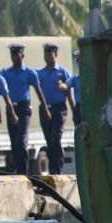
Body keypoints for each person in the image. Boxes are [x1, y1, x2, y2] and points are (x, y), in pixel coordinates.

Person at [0, 44, 51, 175]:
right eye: (13, 55)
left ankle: (23, 171)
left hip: (24, 109)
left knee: (21, 141)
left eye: (17, 55)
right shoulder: (5, 73)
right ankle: (18, 169)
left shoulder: (30, 73)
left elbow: (38, 91)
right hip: (11, 109)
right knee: (14, 142)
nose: (15, 57)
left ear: (22, 55)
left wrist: (45, 108)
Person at [37, 43, 75, 175]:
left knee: (55, 138)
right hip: (44, 109)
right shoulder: (40, 73)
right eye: (46, 55)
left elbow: (69, 93)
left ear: (56, 55)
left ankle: (57, 169)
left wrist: (75, 110)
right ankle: (53, 166)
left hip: (59, 109)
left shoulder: (62, 72)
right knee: (48, 140)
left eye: (50, 55)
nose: (48, 57)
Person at [58, 50, 81, 126]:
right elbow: (66, 85)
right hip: (79, 108)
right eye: (78, 62)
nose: (80, 64)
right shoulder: (75, 79)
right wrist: (61, 85)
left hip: (91, 107)